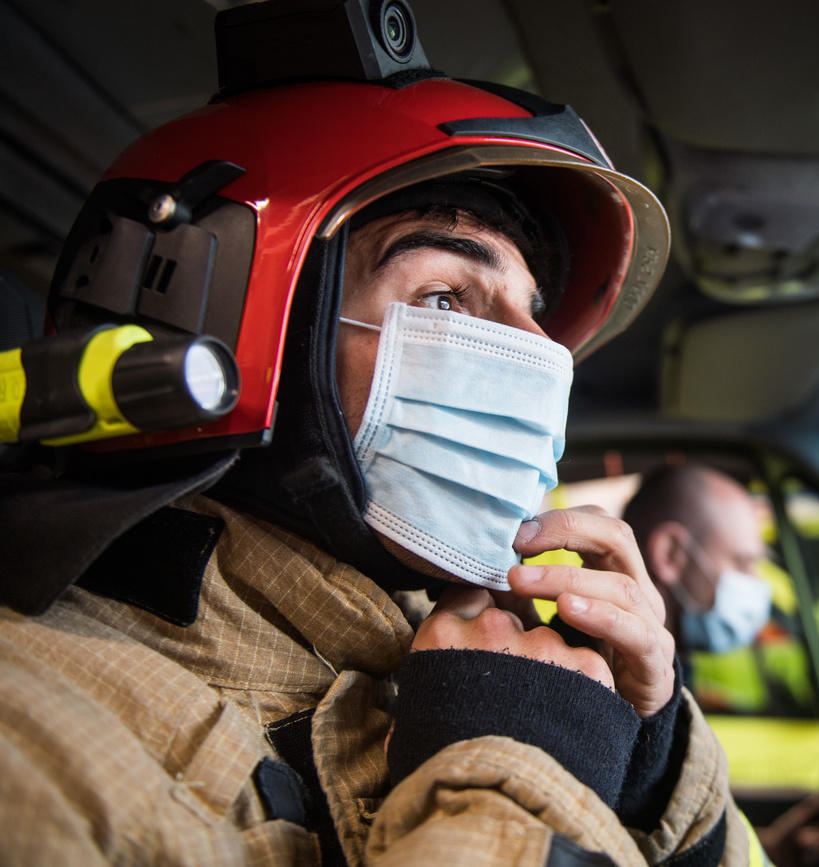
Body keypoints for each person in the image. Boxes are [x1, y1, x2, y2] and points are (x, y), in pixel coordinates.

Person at [0, 3, 750, 864]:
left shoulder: (433, 648)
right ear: (243, 335)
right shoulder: (34, 739)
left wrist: (647, 764)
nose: (539, 357)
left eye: (534, 314)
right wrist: (518, 769)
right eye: (445, 298)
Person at [621, 464, 773, 676]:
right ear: (670, 555)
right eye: (743, 562)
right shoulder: (606, 680)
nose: (756, 581)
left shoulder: (669, 675)